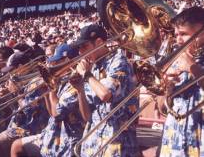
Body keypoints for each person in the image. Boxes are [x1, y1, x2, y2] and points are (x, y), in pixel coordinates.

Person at [71, 24, 140, 157]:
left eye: (84, 47)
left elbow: (106, 94)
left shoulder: (119, 61)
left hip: (117, 143)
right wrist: (80, 90)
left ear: (99, 42)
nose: (80, 53)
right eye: (79, 48)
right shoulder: (95, 67)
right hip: (94, 142)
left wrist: (86, 74)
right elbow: (87, 117)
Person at [10, 43, 84, 157]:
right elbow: (52, 114)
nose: (52, 64)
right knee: (16, 146)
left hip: (66, 138)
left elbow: (55, 114)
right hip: (53, 131)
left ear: (68, 61)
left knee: (16, 145)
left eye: (57, 61)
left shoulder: (75, 83)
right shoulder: (63, 81)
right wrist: (47, 91)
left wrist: (52, 90)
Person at [160, 6, 204, 157]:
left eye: (183, 34)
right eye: (176, 34)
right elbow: (163, 109)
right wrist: (167, 89)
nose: (178, 40)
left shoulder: (188, 62)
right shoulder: (176, 61)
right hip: (173, 143)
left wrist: (193, 68)